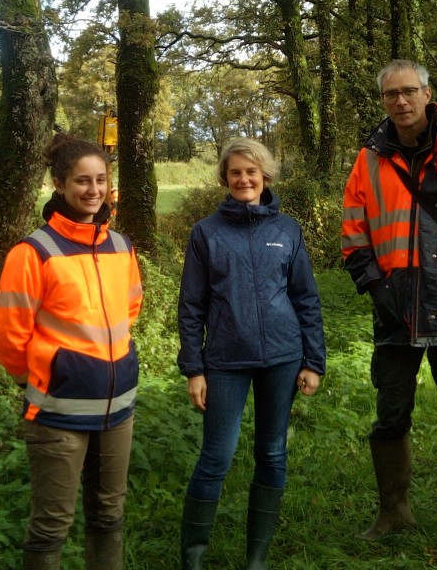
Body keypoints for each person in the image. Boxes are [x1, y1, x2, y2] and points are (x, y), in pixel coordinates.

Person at [341, 59, 437, 557]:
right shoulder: (368, 158)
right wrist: (375, 285)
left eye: (409, 91)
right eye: (391, 94)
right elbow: (353, 233)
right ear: (383, 101)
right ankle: (394, 511)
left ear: (427, 94)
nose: (401, 101)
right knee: (390, 415)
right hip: (393, 307)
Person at [0, 133, 144, 570]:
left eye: (101, 180)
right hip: (58, 412)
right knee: (51, 526)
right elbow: (10, 331)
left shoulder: (121, 246)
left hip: (118, 408)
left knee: (109, 515)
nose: (94, 190)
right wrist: (43, 374)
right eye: (82, 181)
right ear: (59, 184)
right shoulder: (33, 252)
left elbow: (131, 307)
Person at [177, 137, 326, 570]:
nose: (244, 179)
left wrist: (313, 361)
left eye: (251, 172)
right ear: (225, 178)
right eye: (235, 172)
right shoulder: (206, 233)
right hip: (225, 361)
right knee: (216, 457)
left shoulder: (287, 230)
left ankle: (256, 559)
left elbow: (306, 298)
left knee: (272, 454)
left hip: (283, 358)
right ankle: (193, 558)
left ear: (266, 177)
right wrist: (194, 368)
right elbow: (191, 306)